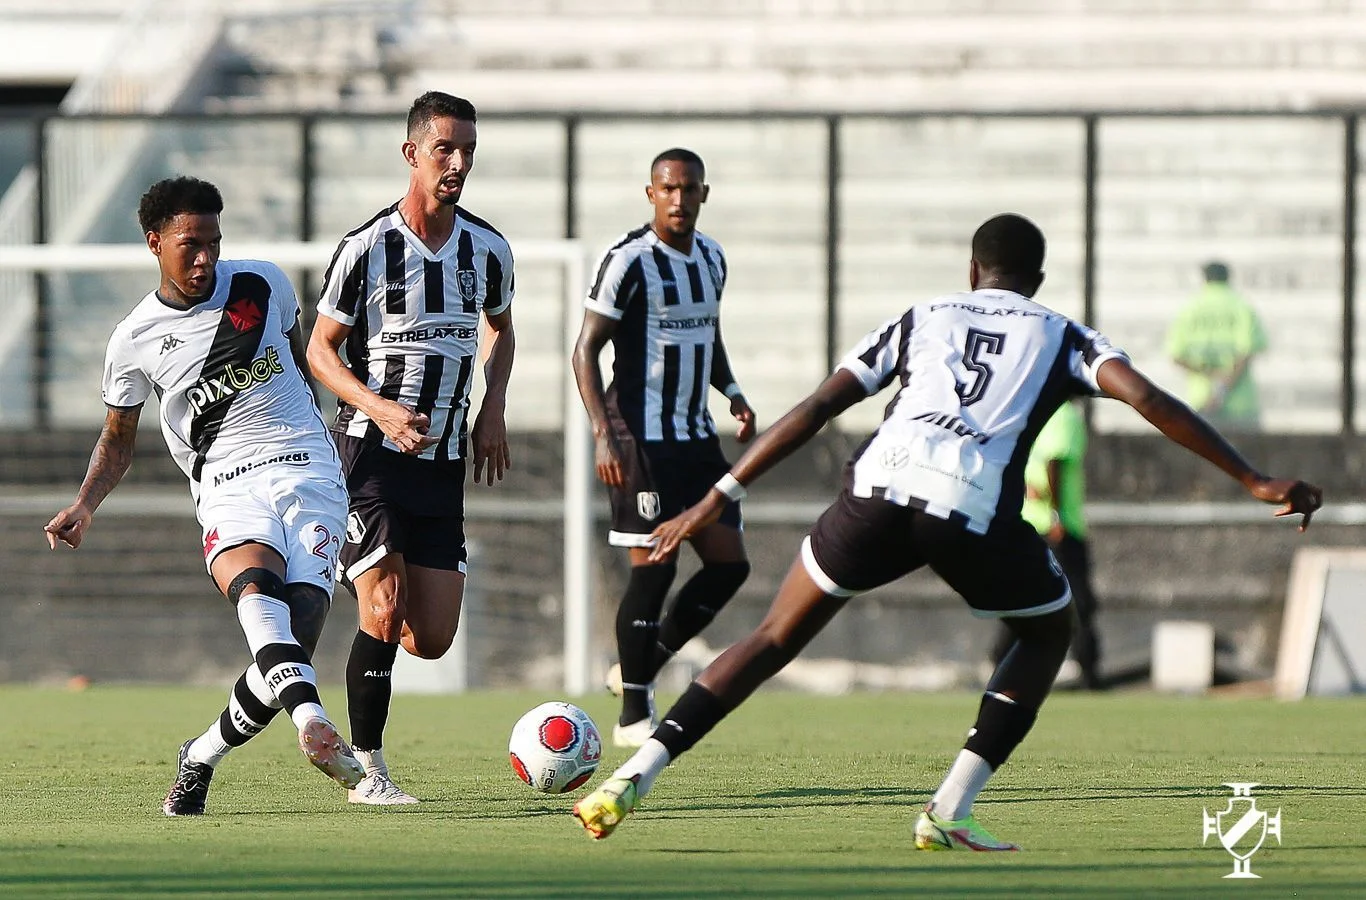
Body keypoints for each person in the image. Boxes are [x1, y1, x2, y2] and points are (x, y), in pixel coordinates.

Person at [571, 213, 1322, 849]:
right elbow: (1152, 400)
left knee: (770, 638)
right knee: (1046, 632)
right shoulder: (1064, 334)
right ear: (1038, 278)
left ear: (973, 270)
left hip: (877, 486)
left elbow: (815, 408)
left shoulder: (923, 316)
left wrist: (719, 494)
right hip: (967, 506)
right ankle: (950, 810)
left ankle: (632, 777)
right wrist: (1254, 479)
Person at [45, 176, 365, 816]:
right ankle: (316, 727)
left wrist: (328, 432)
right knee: (256, 593)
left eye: (214, 242)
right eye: (191, 245)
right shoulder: (133, 339)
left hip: (308, 471)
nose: (205, 259)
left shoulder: (265, 283)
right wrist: (85, 503)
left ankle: (200, 756)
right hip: (226, 482)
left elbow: (299, 368)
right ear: (154, 242)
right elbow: (118, 439)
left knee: (290, 645)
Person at [306, 91, 515, 805]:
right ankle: (371, 773)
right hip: (367, 457)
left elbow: (502, 328)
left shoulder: (488, 248)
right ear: (412, 153)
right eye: (444, 149)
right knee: (385, 603)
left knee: (430, 638)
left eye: (467, 152)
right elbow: (319, 351)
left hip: (443, 464)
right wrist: (379, 407)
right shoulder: (366, 248)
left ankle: (363, 654)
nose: (457, 164)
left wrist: (494, 406)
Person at [571, 148, 757, 748]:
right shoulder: (628, 261)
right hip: (639, 441)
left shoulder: (712, 259)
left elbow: (709, 335)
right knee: (655, 571)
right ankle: (633, 714)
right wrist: (604, 432)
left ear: (705, 194)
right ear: (650, 193)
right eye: (668, 189)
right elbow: (585, 350)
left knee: (730, 564)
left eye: (689, 189)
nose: (679, 200)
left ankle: (640, 661)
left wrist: (731, 391)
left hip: (695, 437)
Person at [987, 399, 1102, 689]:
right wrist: (1056, 514)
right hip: (1057, 527)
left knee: (1022, 598)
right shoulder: (1063, 414)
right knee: (1078, 600)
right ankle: (1089, 673)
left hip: (1027, 522)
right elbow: (1055, 461)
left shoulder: (1030, 411)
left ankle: (1000, 664)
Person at [1166, 261, 1266, 431]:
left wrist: (1209, 375)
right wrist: (1222, 389)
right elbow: (1247, 353)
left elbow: (1177, 356)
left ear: (1204, 279)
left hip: (1201, 401)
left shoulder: (1190, 308)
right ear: (1228, 278)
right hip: (1240, 404)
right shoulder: (1242, 306)